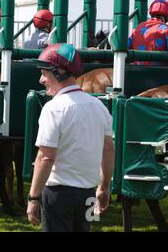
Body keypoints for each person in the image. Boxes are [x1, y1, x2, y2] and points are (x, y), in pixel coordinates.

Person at [27, 43, 115, 232]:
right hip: (89, 194)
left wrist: (33, 197)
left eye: (44, 73)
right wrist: (104, 187)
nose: (41, 79)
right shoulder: (99, 106)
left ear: (58, 72)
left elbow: (46, 157)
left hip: (59, 194)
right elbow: (108, 150)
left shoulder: (53, 108)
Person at [127, 0, 168, 65]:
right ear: (167, 17)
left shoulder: (137, 28)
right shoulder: (166, 30)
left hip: (136, 72)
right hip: (159, 73)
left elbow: (125, 47)